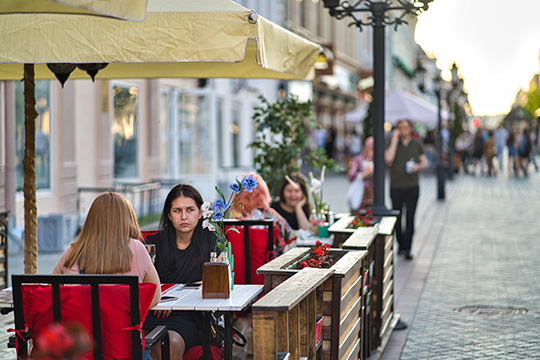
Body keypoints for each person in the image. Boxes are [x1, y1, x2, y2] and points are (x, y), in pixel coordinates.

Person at [144, 184, 218, 360]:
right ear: (169, 215)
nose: (184, 216)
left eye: (190, 210)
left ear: (200, 213)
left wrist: (173, 301)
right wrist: (160, 302)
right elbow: (143, 282)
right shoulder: (152, 243)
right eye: (177, 210)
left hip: (189, 316)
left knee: (168, 344)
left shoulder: (212, 240)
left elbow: (216, 282)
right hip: (153, 312)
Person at [53, 192, 161, 307]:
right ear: (127, 219)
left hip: (79, 324)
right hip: (123, 323)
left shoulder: (73, 251)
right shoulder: (136, 248)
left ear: (91, 220)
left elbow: (51, 290)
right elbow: (155, 296)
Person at [385, 119, 428, 260]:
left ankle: (407, 249)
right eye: (400, 128)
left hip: (412, 186)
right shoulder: (392, 142)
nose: (403, 130)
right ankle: (401, 245)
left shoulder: (416, 144)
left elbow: (425, 163)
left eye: (405, 127)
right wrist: (394, 139)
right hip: (396, 186)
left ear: (410, 128)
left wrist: (417, 167)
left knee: (410, 218)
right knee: (397, 218)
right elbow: (388, 159)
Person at [347, 137, 374, 213]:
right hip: (360, 196)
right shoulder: (358, 160)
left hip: (373, 197)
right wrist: (363, 175)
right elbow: (351, 176)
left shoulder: (378, 161)